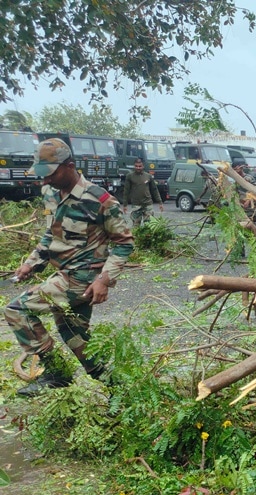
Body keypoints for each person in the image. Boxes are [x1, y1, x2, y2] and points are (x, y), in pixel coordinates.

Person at [6, 138, 134, 396]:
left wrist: (104, 280)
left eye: (50, 174)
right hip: (63, 273)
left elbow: (124, 243)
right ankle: (120, 393)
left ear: (70, 166)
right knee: (75, 338)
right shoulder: (51, 193)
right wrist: (30, 264)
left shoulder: (100, 200)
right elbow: (50, 236)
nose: (44, 181)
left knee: (17, 309)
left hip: (82, 279)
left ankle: (56, 374)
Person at [122, 157, 164, 226]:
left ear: (143, 166)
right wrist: (125, 205)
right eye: (136, 166)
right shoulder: (129, 176)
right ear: (134, 166)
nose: (138, 168)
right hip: (136, 205)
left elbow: (154, 190)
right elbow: (126, 191)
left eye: (140, 166)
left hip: (148, 204)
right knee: (136, 226)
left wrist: (160, 202)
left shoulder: (148, 176)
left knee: (149, 225)